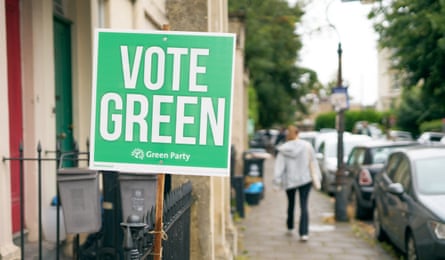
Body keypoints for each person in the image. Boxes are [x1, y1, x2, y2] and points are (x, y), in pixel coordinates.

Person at [273, 125, 319, 242]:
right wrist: (318, 177)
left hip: (290, 180)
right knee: (304, 205)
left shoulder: (283, 149)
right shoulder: (307, 146)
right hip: (305, 179)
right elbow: (313, 162)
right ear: (298, 133)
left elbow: (279, 167)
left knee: (291, 203)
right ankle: (304, 233)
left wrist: (276, 182)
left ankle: (290, 226)